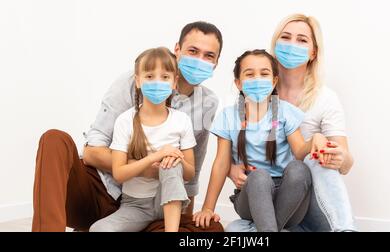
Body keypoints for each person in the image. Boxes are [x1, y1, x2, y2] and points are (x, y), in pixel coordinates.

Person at [32, 21, 223, 232]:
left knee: (211, 229)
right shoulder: (132, 85)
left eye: (209, 56)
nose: (199, 61)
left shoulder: (207, 103)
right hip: (102, 191)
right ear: (177, 49)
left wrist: (183, 221)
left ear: (216, 62)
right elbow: (92, 153)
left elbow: (192, 170)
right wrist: (149, 167)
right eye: (193, 51)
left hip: (156, 204)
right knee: (54, 139)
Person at [226, 14, 356, 232]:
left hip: (308, 196)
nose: (292, 44)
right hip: (268, 198)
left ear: (314, 52)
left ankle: (345, 229)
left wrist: (336, 155)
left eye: (302, 40)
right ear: (275, 44)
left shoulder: (325, 99)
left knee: (315, 159)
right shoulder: (253, 94)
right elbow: (235, 145)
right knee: (234, 230)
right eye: (285, 37)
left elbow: (347, 164)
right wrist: (232, 166)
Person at [193, 49, 329, 232]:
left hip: (288, 201)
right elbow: (221, 163)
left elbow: (299, 151)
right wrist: (207, 208)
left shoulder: (285, 112)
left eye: (264, 74)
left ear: (274, 81)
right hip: (251, 195)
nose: (257, 79)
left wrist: (317, 138)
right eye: (250, 74)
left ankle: (265, 231)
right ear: (238, 83)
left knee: (299, 169)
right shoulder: (228, 116)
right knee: (259, 176)